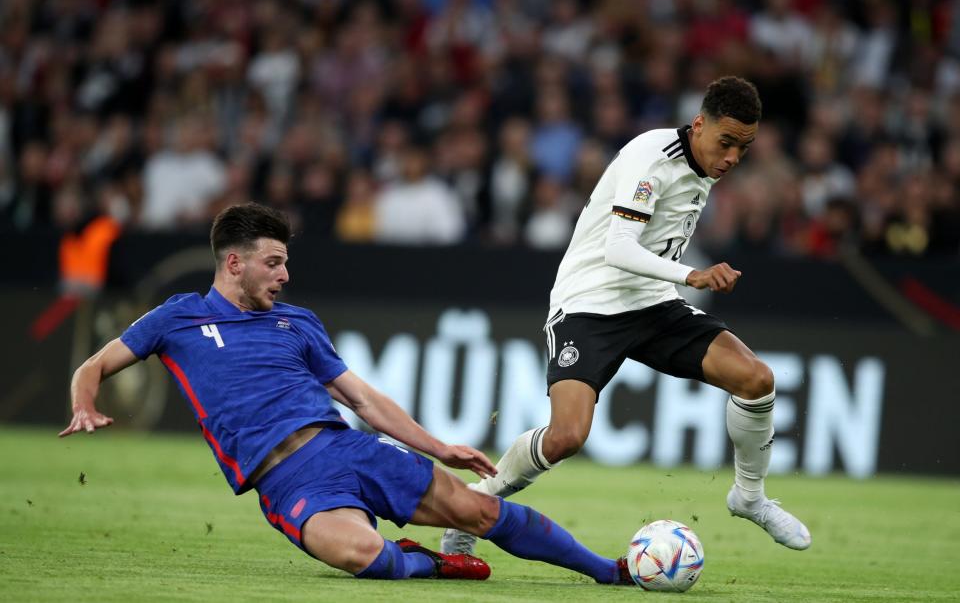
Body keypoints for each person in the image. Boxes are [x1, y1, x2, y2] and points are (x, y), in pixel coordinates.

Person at [59, 203, 636, 584]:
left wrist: (438, 447)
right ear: (234, 263)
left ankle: (608, 572)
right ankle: (431, 563)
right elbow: (95, 364)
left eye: (286, 262)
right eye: (274, 262)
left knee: (479, 508)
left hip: (347, 448)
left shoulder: (298, 323)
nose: (284, 275)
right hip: (284, 480)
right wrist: (85, 402)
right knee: (365, 557)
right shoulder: (176, 318)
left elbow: (362, 399)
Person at [442, 76, 811, 556]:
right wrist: (691, 275)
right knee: (566, 437)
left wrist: (675, 281)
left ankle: (750, 497)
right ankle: (473, 508)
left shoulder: (704, 167)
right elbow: (618, 248)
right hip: (589, 304)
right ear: (699, 125)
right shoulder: (651, 159)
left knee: (757, 379)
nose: (733, 158)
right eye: (726, 143)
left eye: (744, 148)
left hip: (652, 303)